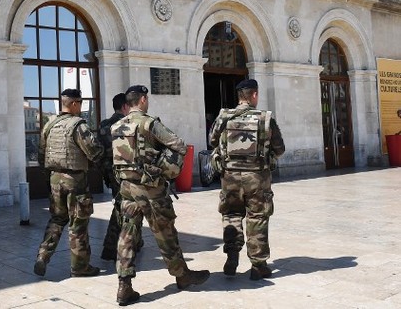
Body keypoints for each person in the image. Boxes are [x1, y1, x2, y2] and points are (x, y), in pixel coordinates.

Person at [112, 85, 210, 306]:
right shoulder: (150, 123)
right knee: (166, 233)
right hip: (151, 190)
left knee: (126, 236)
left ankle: (123, 286)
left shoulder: (117, 126)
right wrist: (165, 169)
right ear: (144, 100)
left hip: (127, 189)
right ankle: (182, 276)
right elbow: (179, 146)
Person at [208, 78, 285, 280]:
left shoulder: (223, 117)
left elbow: (212, 140)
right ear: (254, 95)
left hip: (230, 177)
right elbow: (280, 149)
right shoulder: (265, 119)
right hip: (257, 178)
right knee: (257, 217)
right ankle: (258, 265)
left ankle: (232, 256)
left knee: (231, 215)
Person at [33, 88, 104, 278]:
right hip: (75, 180)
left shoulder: (49, 124)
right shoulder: (78, 125)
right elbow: (94, 151)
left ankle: (42, 256)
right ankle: (80, 267)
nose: (81, 107)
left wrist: (50, 175)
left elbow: (41, 154)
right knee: (78, 223)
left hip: (55, 178)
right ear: (73, 104)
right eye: (80, 103)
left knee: (57, 219)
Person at [98, 92, 142, 261]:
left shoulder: (104, 125)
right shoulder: (126, 124)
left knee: (125, 206)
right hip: (126, 173)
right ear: (125, 106)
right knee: (124, 208)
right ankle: (110, 247)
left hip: (110, 172)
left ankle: (136, 242)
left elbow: (99, 152)